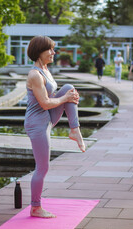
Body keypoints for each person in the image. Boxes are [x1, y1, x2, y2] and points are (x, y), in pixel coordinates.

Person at [24, 36, 85, 218]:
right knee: (42, 168)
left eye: (53, 49)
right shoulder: (34, 74)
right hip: (37, 123)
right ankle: (35, 208)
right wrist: (65, 99)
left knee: (69, 88)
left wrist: (71, 98)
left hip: (47, 118)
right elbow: (44, 103)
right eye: (49, 49)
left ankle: (75, 130)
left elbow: (57, 97)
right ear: (39, 51)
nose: (53, 53)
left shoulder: (45, 70)